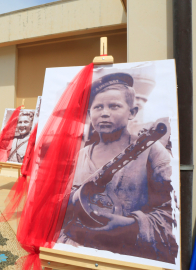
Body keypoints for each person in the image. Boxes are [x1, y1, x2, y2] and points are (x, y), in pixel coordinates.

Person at [58, 73, 178, 263]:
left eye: (114, 106)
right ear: (90, 115)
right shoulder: (79, 156)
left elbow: (173, 212)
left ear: (132, 112)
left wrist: (131, 225)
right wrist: (73, 198)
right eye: (98, 107)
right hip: (77, 255)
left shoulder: (151, 151)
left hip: (128, 258)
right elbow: (57, 208)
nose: (104, 113)